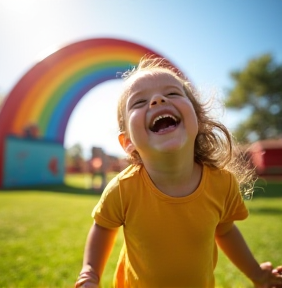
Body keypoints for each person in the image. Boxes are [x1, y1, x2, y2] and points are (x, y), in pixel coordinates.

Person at [75, 56, 282, 288]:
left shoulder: (221, 184)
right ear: (127, 142)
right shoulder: (123, 188)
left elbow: (226, 232)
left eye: (172, 94)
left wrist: (257, 273)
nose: (157, 100)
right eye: (139, 102)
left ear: (198, 119)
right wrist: (90, 274)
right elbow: (103, 228)